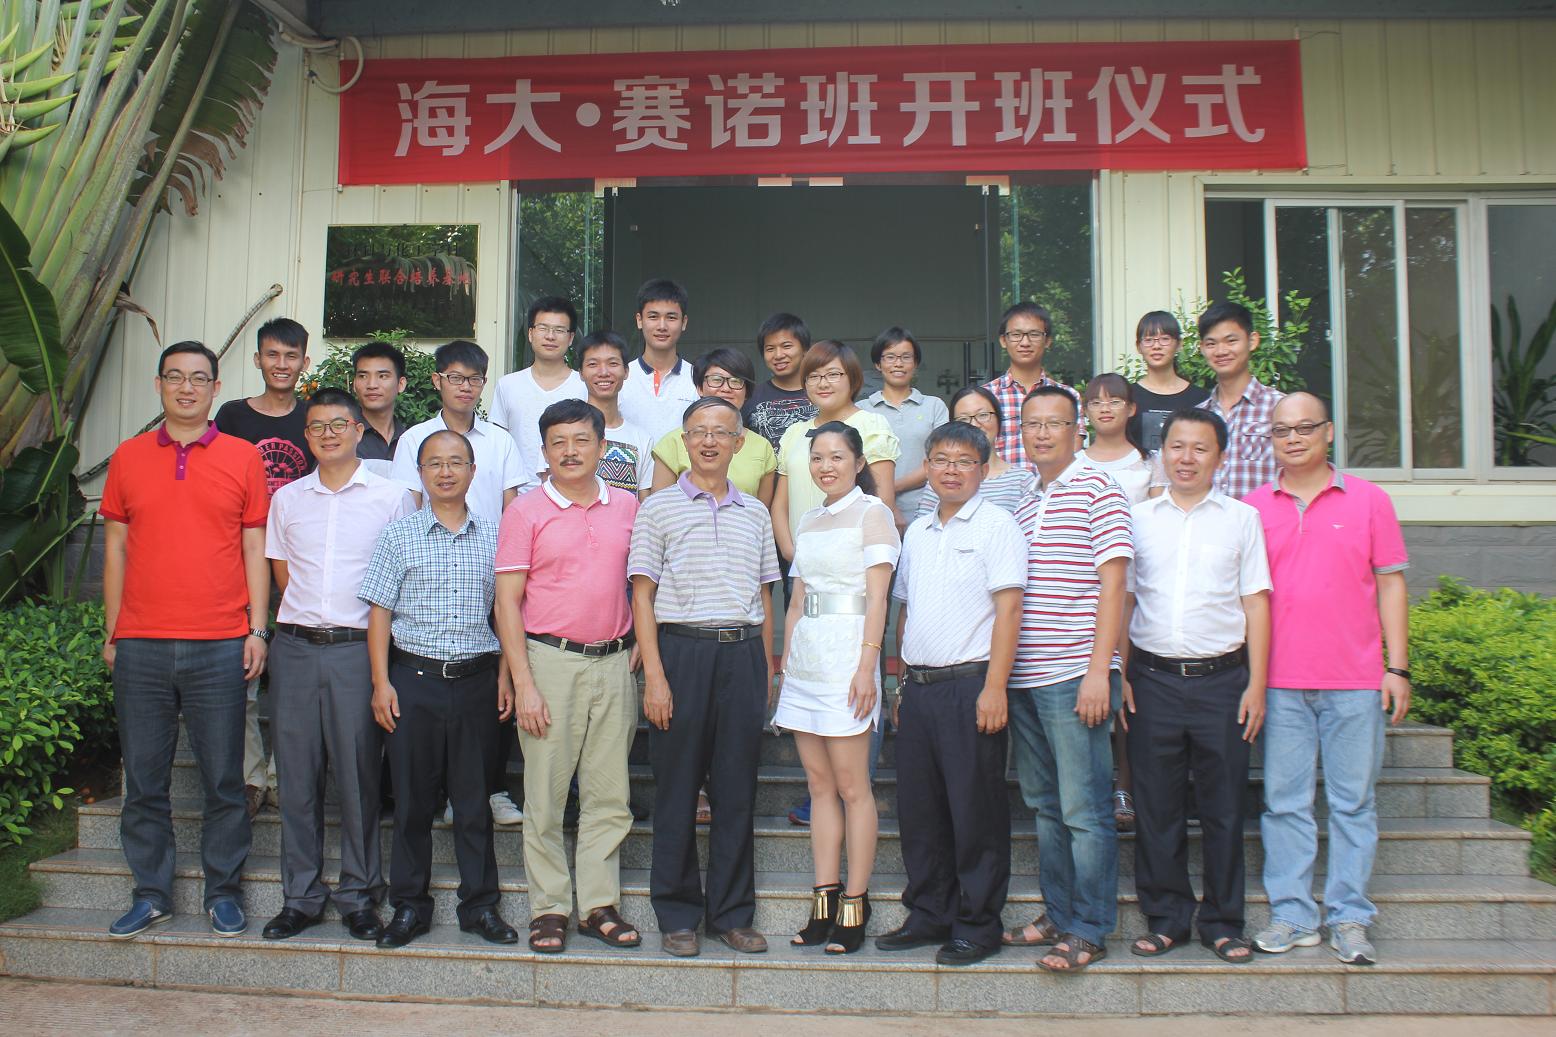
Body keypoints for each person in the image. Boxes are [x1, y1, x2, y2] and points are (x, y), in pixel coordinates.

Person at [100, 341, 270, 941]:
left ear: (216, 389)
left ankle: (224, 893)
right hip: (141, 643)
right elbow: (116, 548)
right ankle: (151, 893)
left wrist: (256, 628)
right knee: (145, 782)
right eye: (175, 377)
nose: (187, 388)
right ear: (159, 385)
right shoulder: (128, 457)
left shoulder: (242, 457)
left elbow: (254, 546)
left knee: (224, 780)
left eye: (199, 378)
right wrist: (113, 631)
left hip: (219, 641)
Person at [1247, 393, 1412, 967]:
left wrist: (1397, 667)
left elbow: (1390, 583)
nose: (1293, 439)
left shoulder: (1369, 501)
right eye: (1281, 430)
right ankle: (1293, 914)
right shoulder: (1253, 508)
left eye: (1305, 428)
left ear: (1330, 432)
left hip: (1355, 681)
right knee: (1284, 803)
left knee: (1353, 803)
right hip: (1280, 683)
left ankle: (1349, 918)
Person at [261, 389, 415, 943]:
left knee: (357, 775)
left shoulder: (392, 498)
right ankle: (300, 896)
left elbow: (401, 575)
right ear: (306, 437)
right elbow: (282, 573)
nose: (328, 435)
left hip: (357, 648)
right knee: (297, 777)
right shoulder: (288, 499)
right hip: (296, 648)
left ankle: (359, 895)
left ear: (358, 431)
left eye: (338, 425)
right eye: (317, 427)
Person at [628, 397, 780, 959]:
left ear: (739, 443)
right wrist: (655, 676)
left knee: (736, 791)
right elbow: (642, 596)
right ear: (684, 442)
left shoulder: (756, 512)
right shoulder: (658, 509)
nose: (709, 441)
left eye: (721, 432)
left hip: (742, 655)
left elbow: (765, 595)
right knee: (676, 789)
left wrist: (766, 670)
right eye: (698, 432)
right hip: (681, 654)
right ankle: (677, 914)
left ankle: (732, 915)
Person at [1121, 408, 1271, 965]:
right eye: (1176, 447)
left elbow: (1256, 602)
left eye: (1200, 448)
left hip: (1223, 682)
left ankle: (1224, 922)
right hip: (1152, 680)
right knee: (1155, 806)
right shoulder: (1138, 518)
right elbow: (1125, 600)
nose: (1186, 458)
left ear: (1220, 458)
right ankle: (1166, 919)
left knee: (1224, 808)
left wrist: (1257, 684)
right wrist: (1119, 672)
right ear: (1162, 453)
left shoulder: (1242, 519)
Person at [359, 429, 519, 950]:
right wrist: (381, 682)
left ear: (474, 472)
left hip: (476, 683)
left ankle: (480, 906)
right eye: (434, 463)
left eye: (456, 462)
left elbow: (506, 613)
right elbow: (379, 613)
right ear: (420, 473)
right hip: (413, 682)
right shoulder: (398, 535)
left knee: (473, 801)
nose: (445, 472)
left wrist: (505, 676)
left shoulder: (496, 536)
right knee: (412, 801)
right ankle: (409, 905)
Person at [495, 400, 642, 955]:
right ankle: (550, 908)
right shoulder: (526, 511)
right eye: (558, 442)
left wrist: (640, 645)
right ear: (544, 451)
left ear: (603, 447)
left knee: (610, 794)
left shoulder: (627, 506)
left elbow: (641, 585)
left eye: (582, 440)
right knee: (546, 795)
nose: (571, 451)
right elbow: (507, 603)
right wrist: (523, 682)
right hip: (549, 663)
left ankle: (599, 905)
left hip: (614, 662)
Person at [874, 421, 1024, 966]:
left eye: (964, 461)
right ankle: (929, 913)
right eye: (941, 459)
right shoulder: (917, 531)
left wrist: (995, 687)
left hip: (971, 686)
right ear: (928, 467)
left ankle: (978, 924)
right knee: (921, 810)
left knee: (974, 809)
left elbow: (1009, 609)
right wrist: (899, 681)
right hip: (920, 689)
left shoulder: (998, 525)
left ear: (982, 469)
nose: (951, 470)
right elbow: (905, 611)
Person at [1004, 385, 1133, 973]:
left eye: (1054, 423)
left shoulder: (1098, 488)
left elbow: (1116, 584)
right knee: (1046, 806)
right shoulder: (1026, 501)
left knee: (1085, 809)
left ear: (1076, 429)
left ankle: (1090, 927)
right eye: (1032, 424)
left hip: (1075, 673)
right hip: (1026, 677)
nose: (1042, 433)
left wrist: (1101, 671)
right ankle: (1058, 914)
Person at [390, 339, 533, 826]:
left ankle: (490, 788)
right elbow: (407, 505)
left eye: (474, 379)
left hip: (489, 568)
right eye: (455, 377)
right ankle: (436, 791)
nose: (465, 387)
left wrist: (511, 566)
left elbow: (513, 505)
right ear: (437, 381)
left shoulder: (500, 441)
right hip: (430, 571)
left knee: (492, 683)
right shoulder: (415, 439)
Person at [775, 422, 900, 955]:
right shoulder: (807, 519)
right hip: (807, 660)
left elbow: (879, 599)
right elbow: (796, 601)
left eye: (837, 457)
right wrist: (785, 665)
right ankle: (823, 899)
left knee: (853, 787)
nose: (826, 466)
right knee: (819, 785)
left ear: (858, 462)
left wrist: (868, 666)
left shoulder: (874, 513)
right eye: (817, 458)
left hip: (850, 657)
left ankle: (855, 901)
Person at [215, 316, 312, 818]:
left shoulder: (314, 418)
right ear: (257, 359)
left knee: (292, 677)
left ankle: (281, 775)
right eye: (272, 354)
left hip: (299, 562)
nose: (281, 364)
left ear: (304, 362)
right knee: (245, 672)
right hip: (241, 559)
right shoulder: (232, 417)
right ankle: (251, 777)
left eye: (291, 356)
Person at [773, 340, 900, 566]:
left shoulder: (872, 425)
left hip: (852, 562)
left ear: (853, 378)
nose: (823, 383)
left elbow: (883, 499)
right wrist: (790, 551)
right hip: (801, 561)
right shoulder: (794, 432)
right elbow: (780, 504)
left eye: (833, 374)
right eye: (813, 376)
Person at [651, 348, 777, 507]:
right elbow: (659, 508)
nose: (726, 388)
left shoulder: (762, 447)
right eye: (716, 380)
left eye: (736, 381)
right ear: (700, 388)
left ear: (746, 392)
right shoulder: (673, 442)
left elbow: (760, 513)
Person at [1195, 301, 1285, 500]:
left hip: (1263, 519)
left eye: (1231, 341)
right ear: (1202, 348)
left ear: (1252, 341)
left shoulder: (1279, 408)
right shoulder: (1199, 416)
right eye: (1211, 343)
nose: (1221, 351)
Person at [490, 296, 587, 476]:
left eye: (559, 330)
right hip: (517, 489)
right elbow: (497, 445)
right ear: (530, 333)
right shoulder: (508, 385)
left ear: (571, 337)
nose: (550, 336)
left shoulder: (584, 386)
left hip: (570, 488)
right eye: (543, 328)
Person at [861, 326, 947, 524]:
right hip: (872, 508)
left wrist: (890, 489)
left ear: (915, 363)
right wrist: (886, 498)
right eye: (890, 357)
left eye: (906, 357)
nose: (898, 363)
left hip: (927, 508)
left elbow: (940, 459)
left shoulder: (934, 406)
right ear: (878, 364)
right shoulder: (862, 409)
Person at [981, 302, 1079, 468]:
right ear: (1003, 340)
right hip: (1001, 485)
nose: (1025, 342)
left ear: (1047, 341)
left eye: (1034, 334)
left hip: (1051, 484)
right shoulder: (985, 397)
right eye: (1016, 334)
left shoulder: (1067, 397)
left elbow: (1073, 450)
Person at [914, 385, 1037, 518]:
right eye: (964, 419)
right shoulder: (944, 477)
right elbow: (924, 524)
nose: (974, 424)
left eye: (983, 415)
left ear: (999, 419)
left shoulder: (1021, 480)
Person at [578, 330, 658, 498]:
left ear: (626, 371)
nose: (603, 372)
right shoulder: (562, 430)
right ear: (581, 373)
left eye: (613, 363)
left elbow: (643, 503)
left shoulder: (642, 439)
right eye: (593, 364)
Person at [618, 278, 700, 441]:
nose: (662, 326)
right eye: (653, 317)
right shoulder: (619, 377)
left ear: (684, 322)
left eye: (671, 318)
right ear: (639, 320)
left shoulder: (698, 378)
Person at [1128, 311, 1209, 454]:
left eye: (1165, 339)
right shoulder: (1128, 396)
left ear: (1179, 344)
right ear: (1138, 346)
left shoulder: (1201, 398)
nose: (1156, 346)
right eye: (1148, 340)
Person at [745, 311, 817, 448]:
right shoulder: (750, 397)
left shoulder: (823, 392)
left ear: (805, 349)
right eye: (770, 349)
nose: (778, 355)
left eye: (786, 346)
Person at [1079, 373, 1152, 505]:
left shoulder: (1150, 463)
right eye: (1096, 403)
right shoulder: (1074, 464)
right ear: (1086, 412)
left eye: (1114, 402)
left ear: (1131, 409)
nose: (1105, 409)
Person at [351, 340, 409, 477]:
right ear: (354, 384)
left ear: (401, 384)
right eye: (363, 376)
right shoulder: (342, 437)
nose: (372, 385)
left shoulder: (411, 439)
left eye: (382, 376)